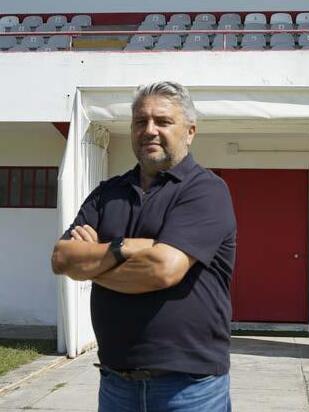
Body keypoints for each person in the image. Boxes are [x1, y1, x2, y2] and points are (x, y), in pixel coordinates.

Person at [51, 81, 236, 412]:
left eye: (162, 121)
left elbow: (162, 269)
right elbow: (62, 258)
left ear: (190, 131)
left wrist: (92, 267)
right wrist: (123, 248)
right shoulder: (107, 193)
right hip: (116, 384)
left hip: (189, 390)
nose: (149, 130)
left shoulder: (206, 190)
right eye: (140, 121)